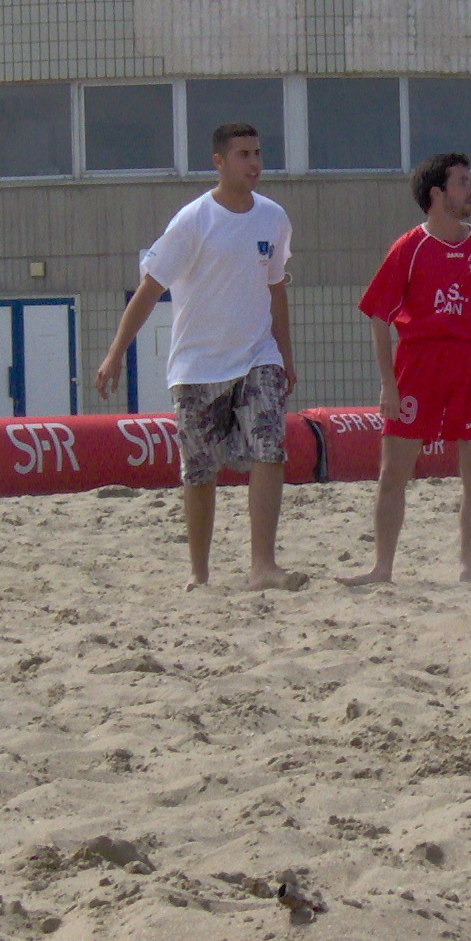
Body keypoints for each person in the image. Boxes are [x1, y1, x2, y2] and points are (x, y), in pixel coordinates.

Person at [94, 122, 301, 591]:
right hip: (197, 365)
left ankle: (263, 565)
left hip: (257, 356)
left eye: (258, 153)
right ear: (220, 162)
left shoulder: (273, 217)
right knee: (200, 471)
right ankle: (199, 572)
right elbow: (149, 291)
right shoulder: (193, 221)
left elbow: (276, 289)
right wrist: (114, 355)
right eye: (244, 154)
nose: (254, 163)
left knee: (270, 448)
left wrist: (286, 354)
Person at [343, 153, 471, 585]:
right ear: (437, 194)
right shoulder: (409, 247)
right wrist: (388, 383)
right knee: (393, 473)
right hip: (419, 363)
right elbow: (377, 314)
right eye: (463, 182)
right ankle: (381, 567)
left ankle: (468, 568)